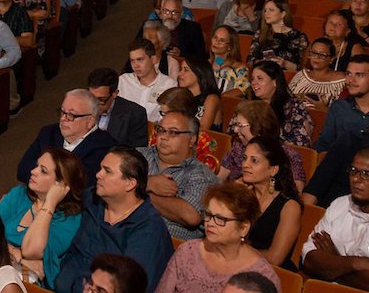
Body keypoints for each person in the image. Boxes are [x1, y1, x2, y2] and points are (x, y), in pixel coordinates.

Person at [55, 147, 174, 293]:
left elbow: (130, 287)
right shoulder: (92, 199)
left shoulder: (148, 230)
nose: (98, 175)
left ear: (130, 183)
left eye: (107, 171)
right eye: (100, 169)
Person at [153, 182, 281, 293]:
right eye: (208, 214)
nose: (210, 223)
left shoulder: (263, 275)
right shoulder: (187, 252)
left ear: (243, 228)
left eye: (220, 219)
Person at [0, 148, 85, 286]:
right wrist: (18, 256)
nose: (33, 171)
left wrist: (50, 203)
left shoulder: (70, 219)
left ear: (61, 184)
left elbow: (31, 251)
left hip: (24, 284)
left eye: (43, 171)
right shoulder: (19, 194)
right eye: (36, 166)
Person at [139, 111, 219, 240]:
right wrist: (147, 183)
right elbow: (108, 182)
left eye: (173, 132)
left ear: (191, 139)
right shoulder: (139, 156)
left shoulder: (202, 175)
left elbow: (190, 215)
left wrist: (139, 189)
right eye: (161, 130)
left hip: (165, 244)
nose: (163, 137)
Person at [300, 146, 369, 288]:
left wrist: (332, 261)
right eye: (353, 171)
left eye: (366, 174)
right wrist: (355, 263)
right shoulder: (340, 204)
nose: (356, 179)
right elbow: (309, 259)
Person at [18, 89, 117, 184]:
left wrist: (43, 178)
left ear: (90, 121)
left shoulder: (105, 147)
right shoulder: (48, 133)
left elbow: (82, 186)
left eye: (71, 114)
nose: (63, 118)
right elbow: (23, 171)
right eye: (62, 112)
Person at [240, 136, 302, 269]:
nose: (245, 165)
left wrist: (235, 250)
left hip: (269, 273)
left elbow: (275, 258)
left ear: (273, 170)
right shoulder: (241, 194)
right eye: (244, 158)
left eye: (254, 160)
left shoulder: (289, 206)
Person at [220, 100, 305, 186]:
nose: (235, 130)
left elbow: (296, 193)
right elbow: (217, 180)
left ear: (258, 127)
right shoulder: (237, 148)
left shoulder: (288, 155)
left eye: (240, 125)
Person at [118, 38, 177, 122]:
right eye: (132, 61)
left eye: (140, 60)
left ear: (153, 59)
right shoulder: (123, 81)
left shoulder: (169, 85)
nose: (135, 65)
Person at [88, 67, 148, 148]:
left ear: (114, 94)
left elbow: (135, 153)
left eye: (101, 100)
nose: (94, 104)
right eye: (91, 97)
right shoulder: (80, 106)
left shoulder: (135, 114)